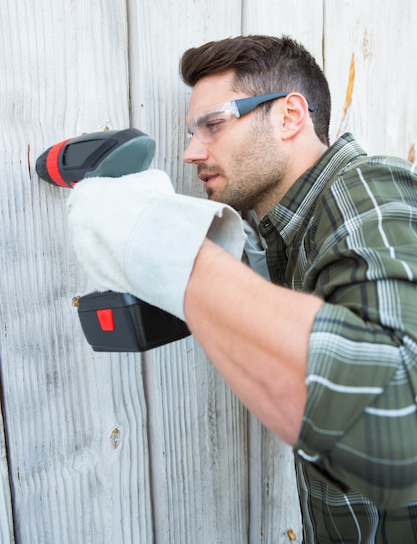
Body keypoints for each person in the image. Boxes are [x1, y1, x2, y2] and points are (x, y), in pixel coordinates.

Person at [68, 35, 417, 542]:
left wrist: (162, 247)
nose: (190, 152)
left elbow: (398, 423)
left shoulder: (366, 190)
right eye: (192, 132)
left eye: (213, 124)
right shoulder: (283, 236)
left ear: (289, 116)